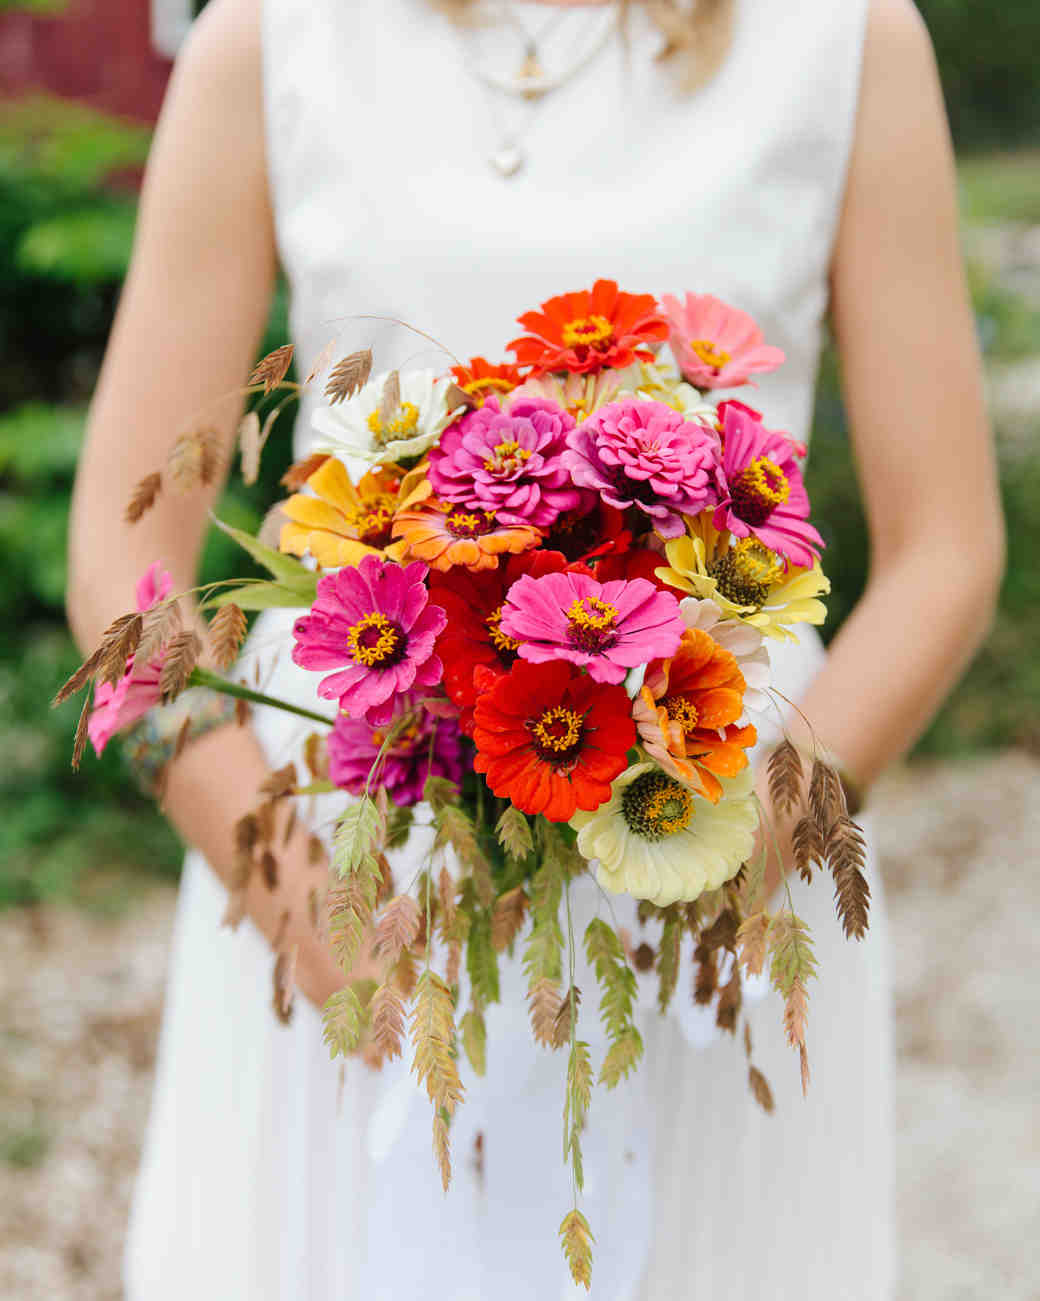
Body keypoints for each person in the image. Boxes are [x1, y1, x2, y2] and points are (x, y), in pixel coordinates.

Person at [66, 0, 1003, 1297]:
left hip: (711, 851)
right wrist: (287, 887)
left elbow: (950, 546)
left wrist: (741, 860)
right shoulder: (269, 41)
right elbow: (122, 570)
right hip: (341, 857)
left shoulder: (847, 40)